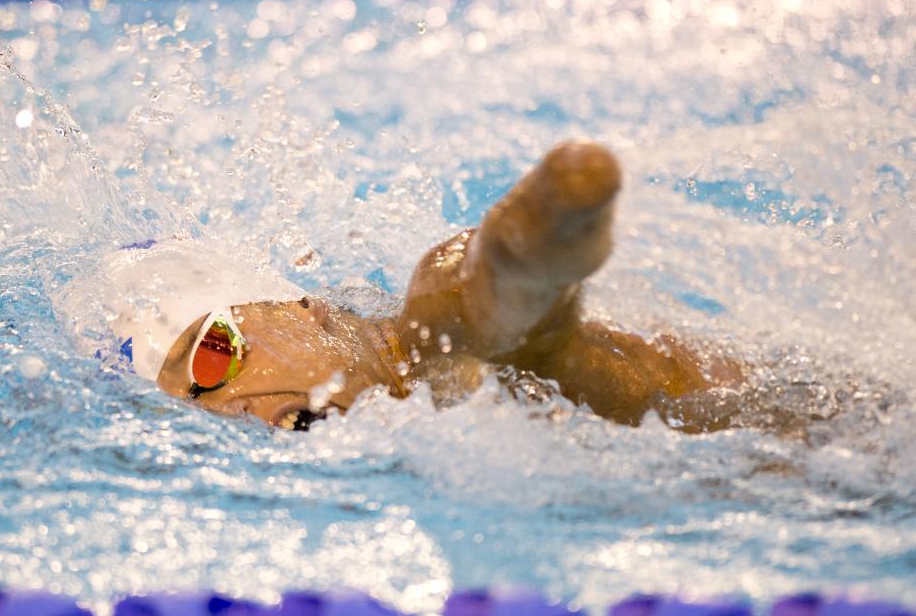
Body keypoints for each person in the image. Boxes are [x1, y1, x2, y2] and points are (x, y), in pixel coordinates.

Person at [100, 140, 762, 432]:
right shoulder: (403, 427)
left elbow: (482, 299)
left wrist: (539, 232)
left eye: (215, 353)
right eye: (193, 414)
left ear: (305, 312)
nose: (227, 408)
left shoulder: (431, 332)